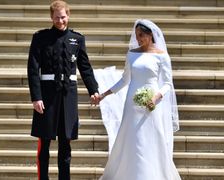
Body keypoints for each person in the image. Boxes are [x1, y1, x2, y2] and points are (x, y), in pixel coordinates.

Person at [96, 19, 181, 180]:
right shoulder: (132, 54)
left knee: (152, 137)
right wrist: (104, 94)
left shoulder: (162, 56)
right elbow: (124, 80)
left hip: (151, 103)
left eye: (141, 35)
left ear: (150, 35)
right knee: (132, 138)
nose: (138, 38)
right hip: (132, 102)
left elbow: (168, 84)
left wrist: (156, 97)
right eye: (136, 35)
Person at [27, 1, 99, 179]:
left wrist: (93, 90)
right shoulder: (40, 38)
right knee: (44, 144)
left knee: (65, 146)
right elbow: (33, 69)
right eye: (57, 17)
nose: (60, 21)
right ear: (51, 17)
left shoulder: (77, 39)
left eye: (63, 16)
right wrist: (36, 97)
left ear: (68, 15)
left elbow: (85, 67)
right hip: (47, 97)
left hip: (68, 97)